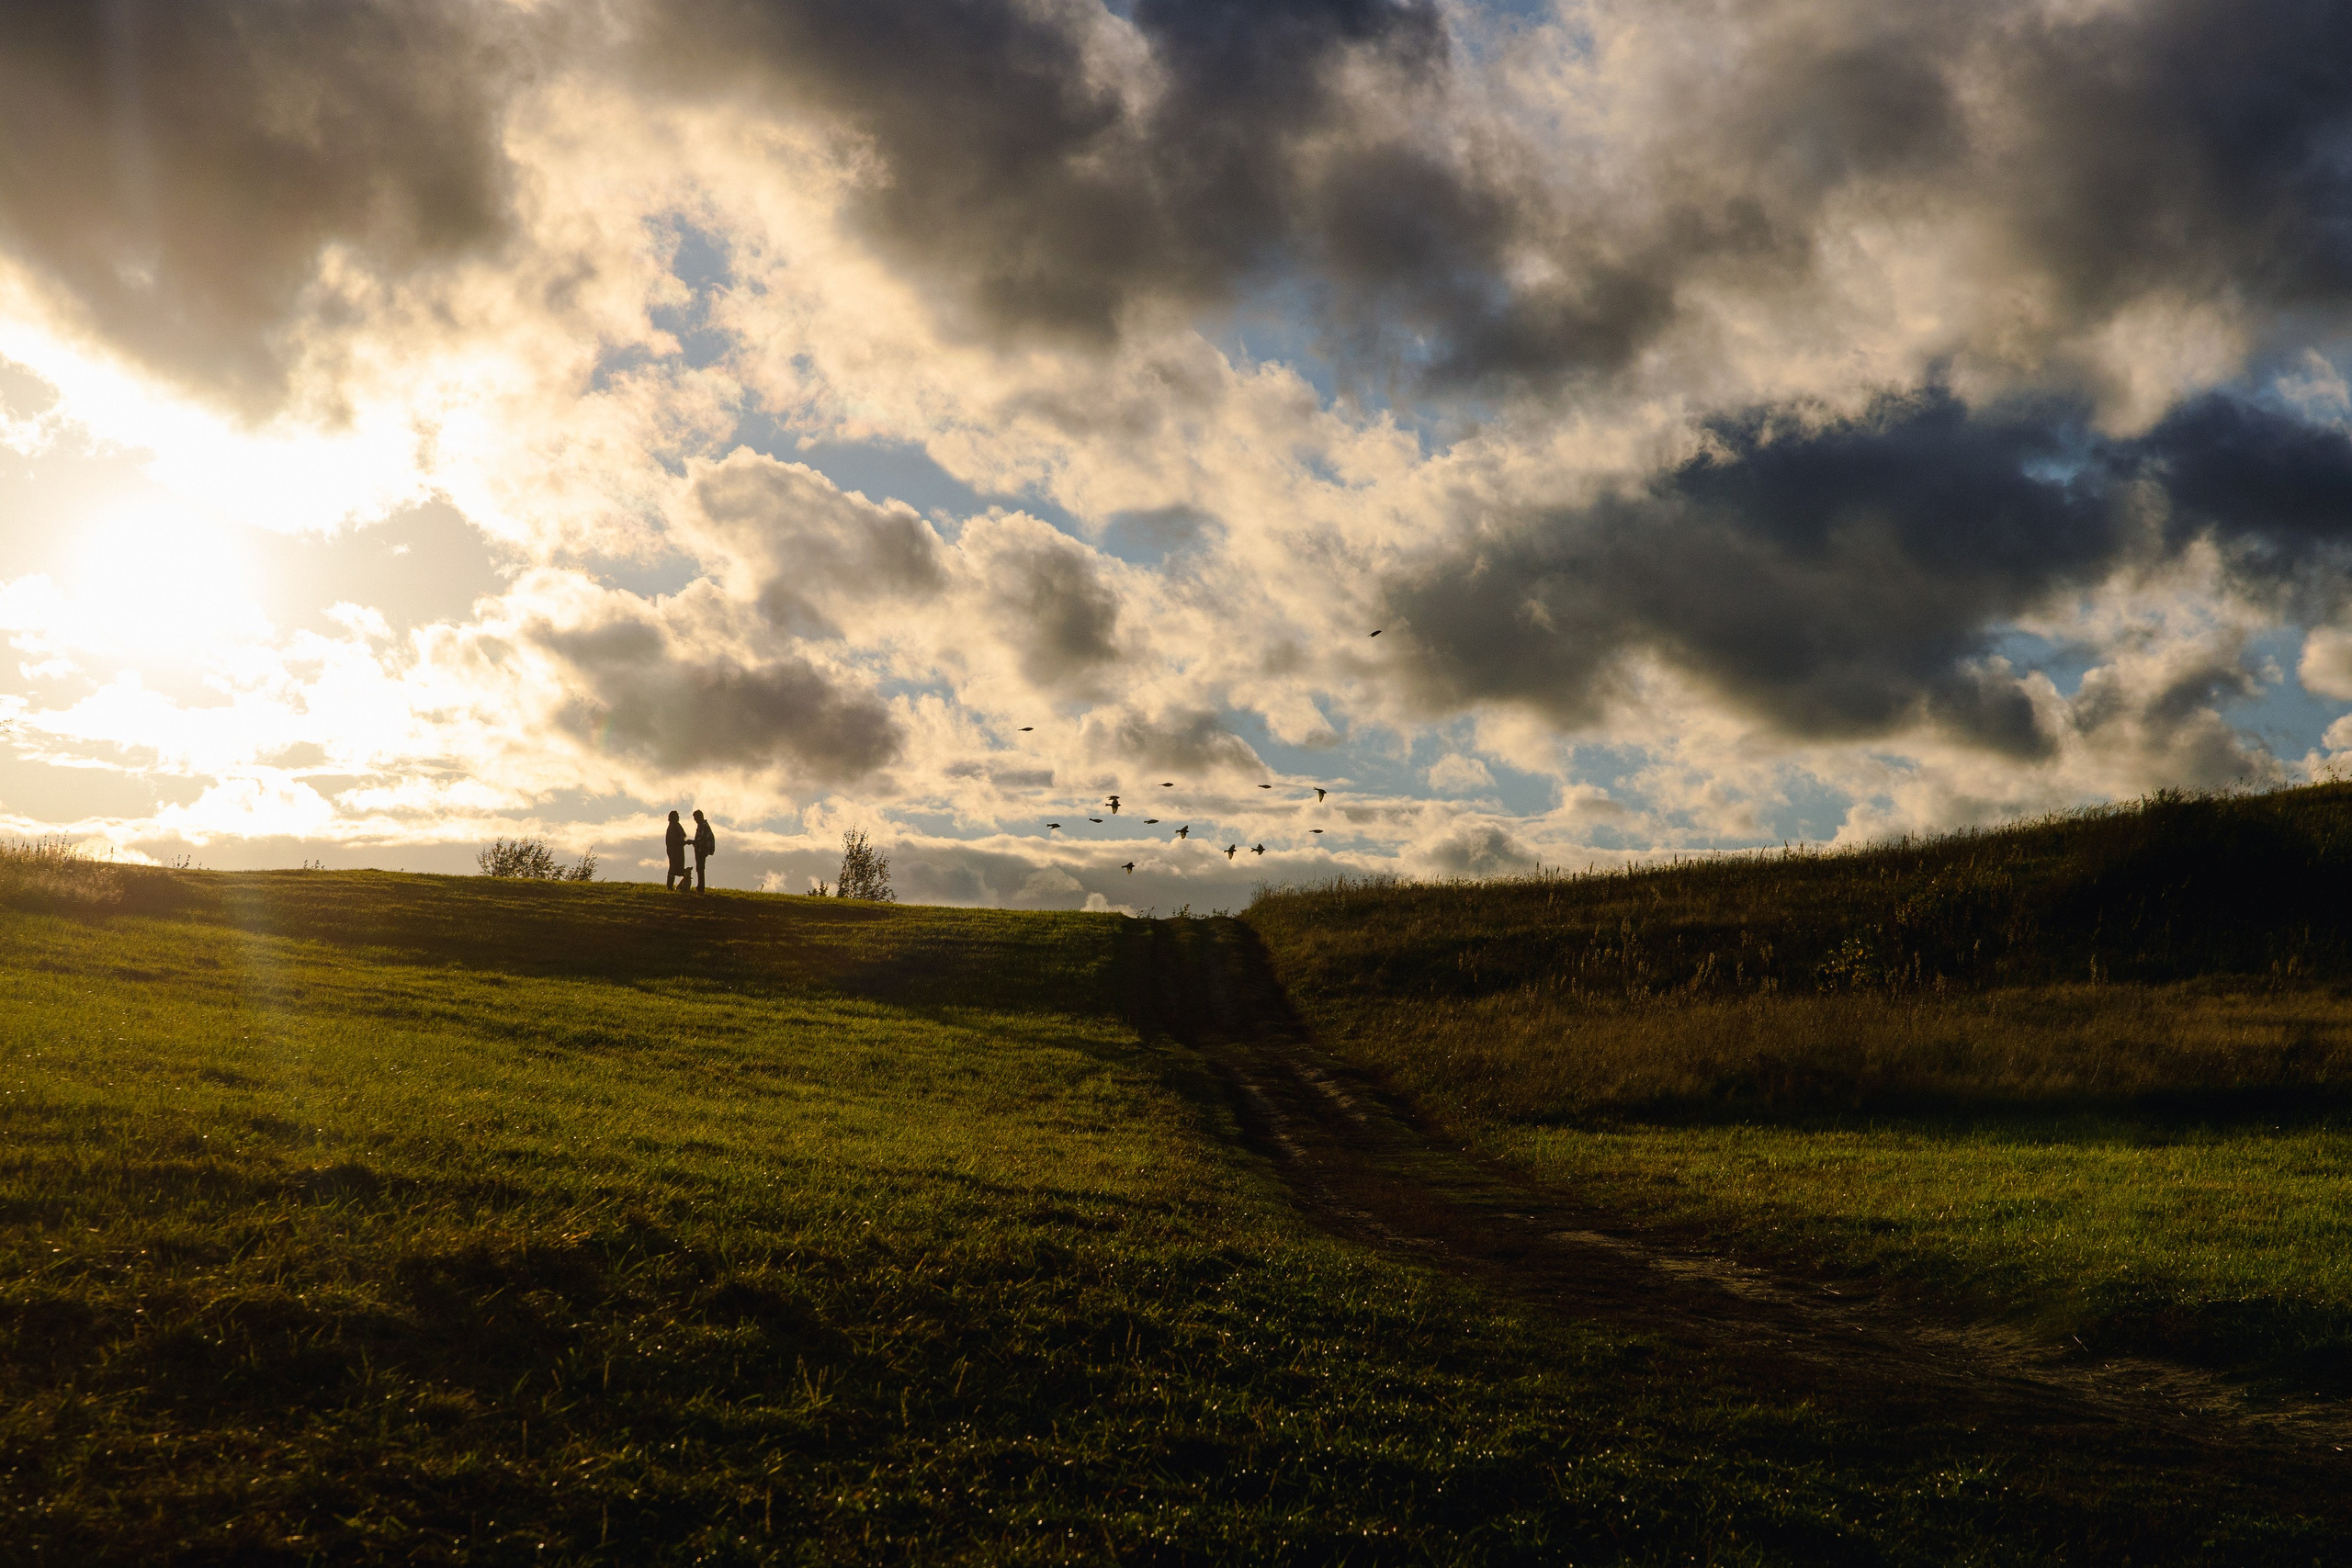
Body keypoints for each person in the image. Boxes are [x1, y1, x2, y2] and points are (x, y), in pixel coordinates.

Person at [691, 808, 716, 892]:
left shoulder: (703, 826)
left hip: (702, 850)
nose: (694, 819)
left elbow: (701, 839)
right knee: (699, 867)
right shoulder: (702, 825)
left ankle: (701, 886)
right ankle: (700, 885)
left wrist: (692, 842)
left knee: (700, 868)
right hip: (700, 849)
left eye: (695, 817)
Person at [664, 810, 688, 891]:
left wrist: (683, 842)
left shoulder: (675, 826)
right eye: (676, 816)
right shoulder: (672, 827)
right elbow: (674, 840)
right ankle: (669, 886)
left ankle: (672, 886)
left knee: (675, 867)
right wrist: (683, 842)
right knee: (673, 868)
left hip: (677, 849)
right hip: (674, 850)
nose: (678, 817)